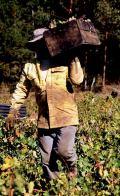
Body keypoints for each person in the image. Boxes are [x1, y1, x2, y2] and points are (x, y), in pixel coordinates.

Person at [5, 28, 84, 181]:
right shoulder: (30, 66)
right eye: (37, 44)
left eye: (44, 42)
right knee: (46, 160)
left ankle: (72, 169)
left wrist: (73, 55)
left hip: (66, 115)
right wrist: (12, 111)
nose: (41, 46)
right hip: (45, 119)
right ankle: (55, 186)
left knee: (63, 151)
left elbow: (77, 80)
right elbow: (21, 90)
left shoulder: (64, 60)